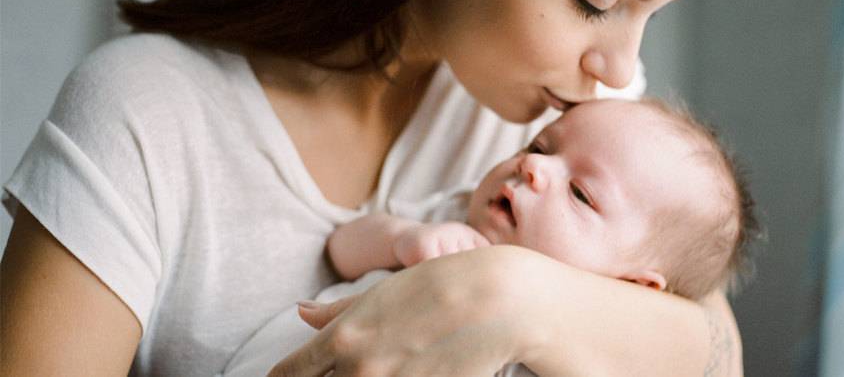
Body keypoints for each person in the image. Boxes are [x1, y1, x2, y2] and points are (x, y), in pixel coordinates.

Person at [0, 0, 749, 376]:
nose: (621, 69)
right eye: (594, 0)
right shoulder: (148, 114)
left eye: (652, 12)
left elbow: (715, 348)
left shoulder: (581, 125)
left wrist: (514, 296)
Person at [221, 98, 759, 377]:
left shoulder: (584, 355)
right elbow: (342, 247)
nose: (533, 169)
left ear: (632, 286)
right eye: (543, 147)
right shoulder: (455, 215)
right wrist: (401, 239)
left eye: (581, 195)